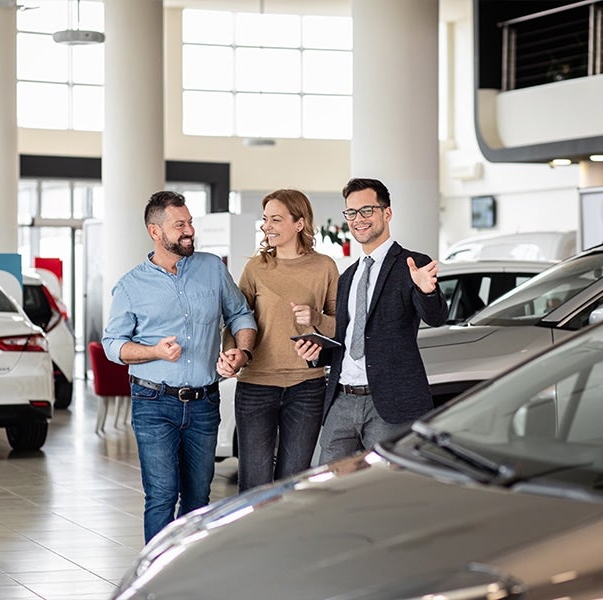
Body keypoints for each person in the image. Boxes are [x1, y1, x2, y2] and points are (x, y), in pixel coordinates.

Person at [102, 190, 257, 543]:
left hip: (204, 402)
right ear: (155, 232)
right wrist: (153, 351)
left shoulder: (212, 268)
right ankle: (157, 582)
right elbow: (113, 345)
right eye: (180, 225)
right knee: (161, 495)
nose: (189, 231)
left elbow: (240, 315)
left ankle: (192, 575)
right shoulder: (130, 286)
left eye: (189, 223)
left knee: (199, 499)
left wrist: (241, 352)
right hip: (154, 403)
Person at [295, 177, 448, 464]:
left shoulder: (411, 264)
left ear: (386, 213)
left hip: (389, 404)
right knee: (329, 488)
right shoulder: (348, 276)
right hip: (341, 399)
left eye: (366, 210)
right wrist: (316, 354)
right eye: (351, 213)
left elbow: (437, 317)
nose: (358, 219)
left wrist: (426, 291)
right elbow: (348, 339)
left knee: (387, 490)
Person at [226, 189, 338, 492]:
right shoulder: (256, 268)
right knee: (255, 482)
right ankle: (253, 539)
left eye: (276, 219)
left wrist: (315, 318)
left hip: (307, 387)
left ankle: (287, 540)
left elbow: (340, 326)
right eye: (265, 220)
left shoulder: (324, 266)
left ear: (299, 224)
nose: (267, 226)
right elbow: (236, 317)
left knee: (294, 483)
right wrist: (231, 353)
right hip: (256, 386)